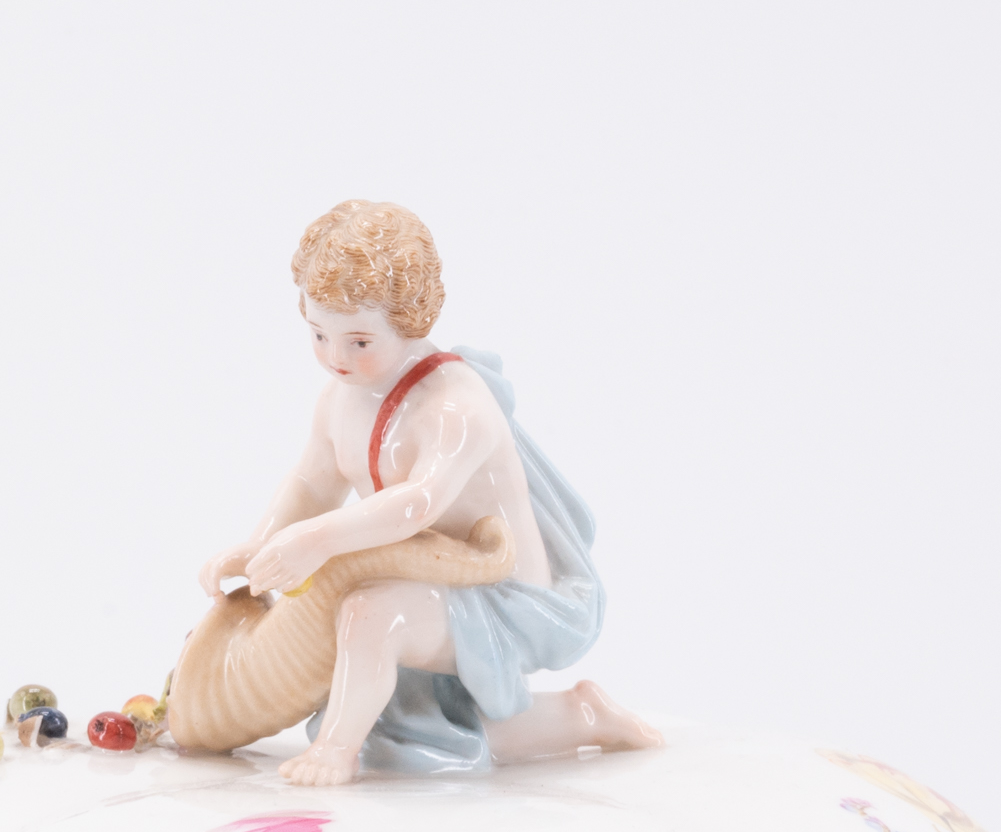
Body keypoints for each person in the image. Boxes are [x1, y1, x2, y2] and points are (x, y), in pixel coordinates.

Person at [199, 201, 663, 785]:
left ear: (410, 320)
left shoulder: (455, 405)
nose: (335, 358)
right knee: (408, 733)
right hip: (422, 577)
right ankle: (582, 715)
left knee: (371, 616)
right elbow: (312, 483)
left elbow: (417, 504)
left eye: (359, 341)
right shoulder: (340, 398)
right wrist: (260, 545)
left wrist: (312, 542)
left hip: (500, 591)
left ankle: (336, 751)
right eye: (318, 334)